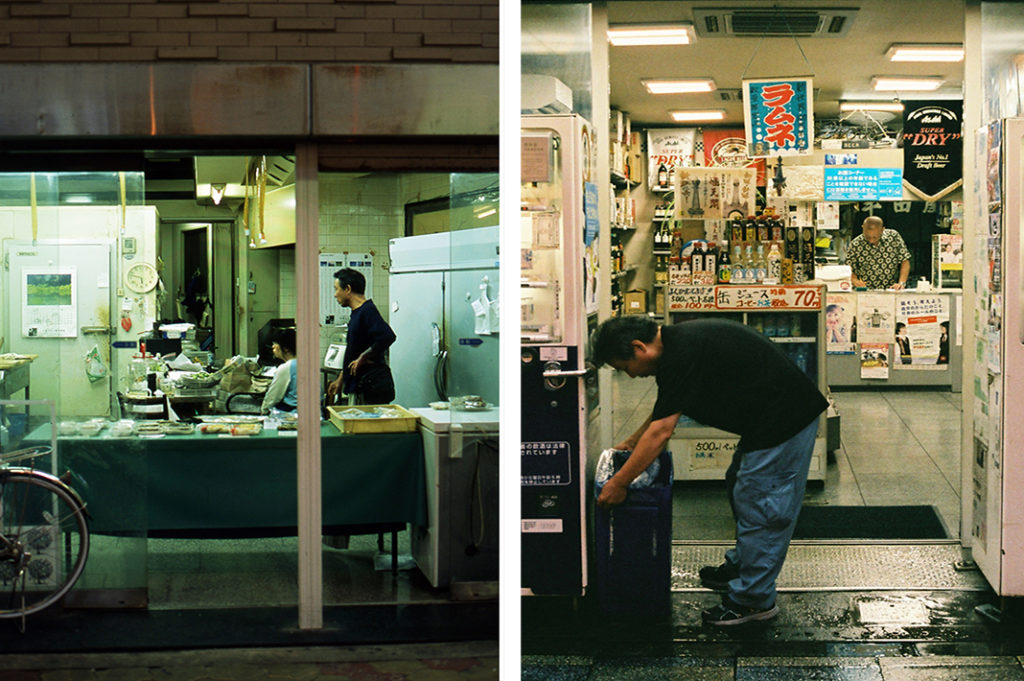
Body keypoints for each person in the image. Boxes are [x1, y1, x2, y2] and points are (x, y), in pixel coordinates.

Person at [590, 316, 827, 626]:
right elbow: (666, 410)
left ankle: (753, 600)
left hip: (784, 421)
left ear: (639, 347)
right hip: (768, 419)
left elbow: (662, 431)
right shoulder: (677, 346)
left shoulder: (682, 351)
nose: (630, 376)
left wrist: (619, 483)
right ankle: (742, 567)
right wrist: (631, 444)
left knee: (764, 506)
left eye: (624, 367)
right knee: (742, 488)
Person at [326, 268, 396, 405]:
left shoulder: (367, 310)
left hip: (370, 385)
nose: (335, 295)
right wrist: (341, 378)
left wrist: (364, 357)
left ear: (347, 289)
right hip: (358, 383)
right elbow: (353, 351)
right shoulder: (357, 313)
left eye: (336, 289)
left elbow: (388, 336)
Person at [846, 216, 911, 290]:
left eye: (875, 237)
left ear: (882, 230)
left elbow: (905, 261)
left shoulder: (893, 237)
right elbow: (849, 268)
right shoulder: (856, 244)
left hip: (890, 289)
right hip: (865, 290)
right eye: (868, 237)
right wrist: (854, 280)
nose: (871, 241)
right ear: (863, 228)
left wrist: (901, 283)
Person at [261, 328, 297, 414]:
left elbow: (272, 397)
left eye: (275, 343)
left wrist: (264, 411)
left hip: (293, 416)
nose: (273, 346)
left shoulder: (286, 367)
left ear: (286, 349)